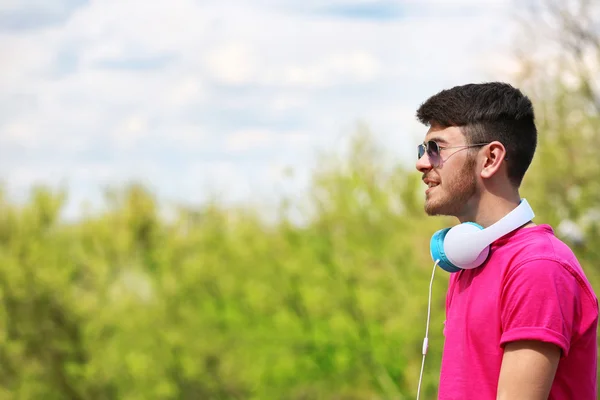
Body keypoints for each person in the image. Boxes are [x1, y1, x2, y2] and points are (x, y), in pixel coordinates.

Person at [414, 82, 599, 399]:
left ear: (490, 159)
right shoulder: (467, 263)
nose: (421, 163)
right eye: (422, 150)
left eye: (436, 149)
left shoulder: (538, 268)